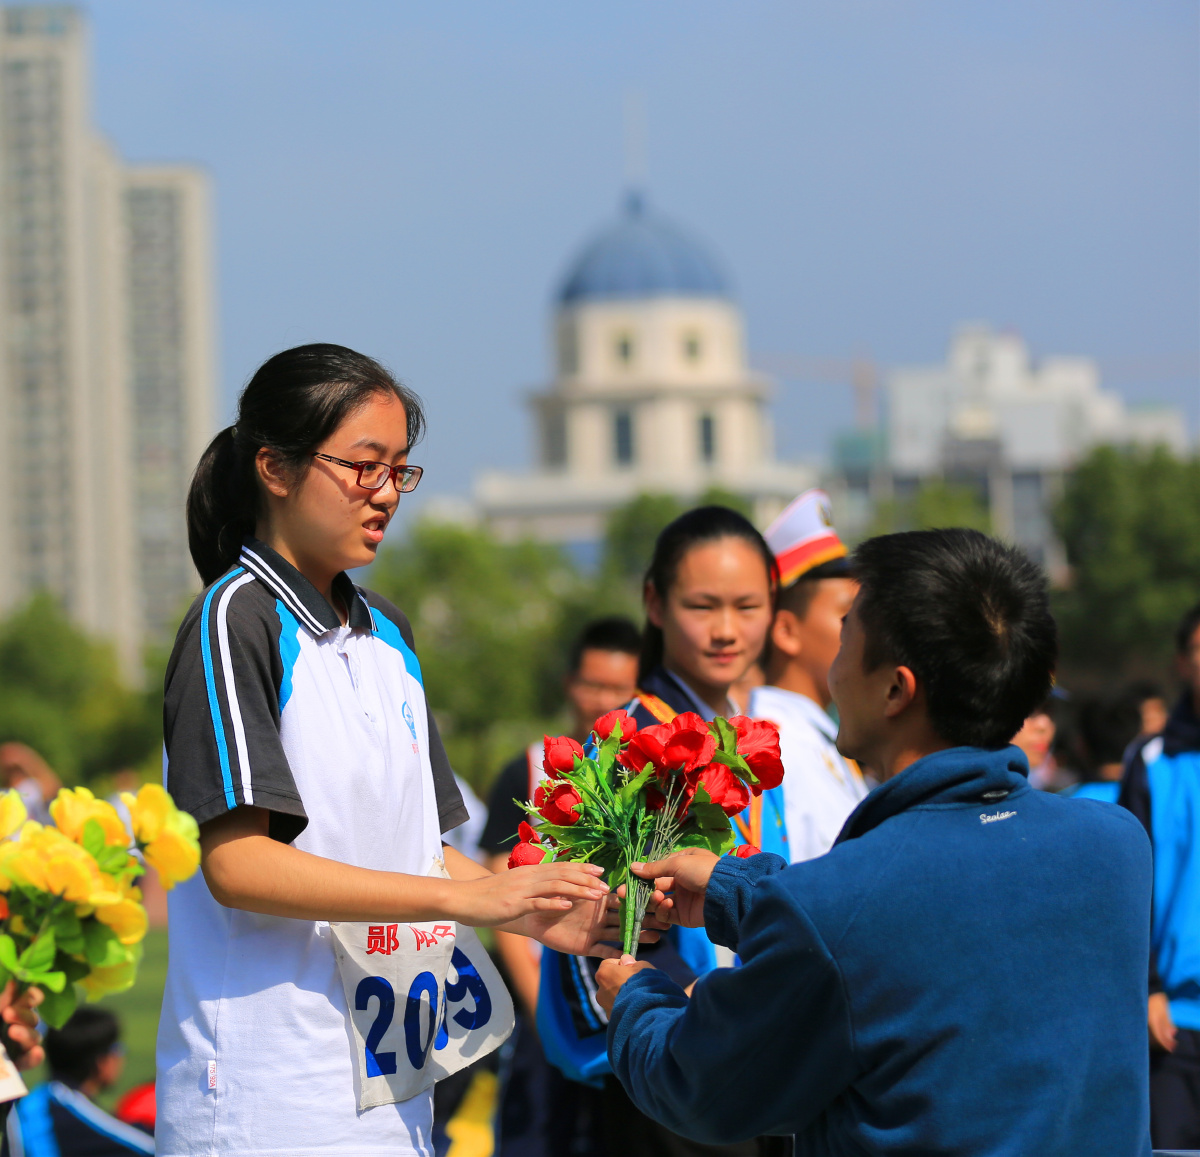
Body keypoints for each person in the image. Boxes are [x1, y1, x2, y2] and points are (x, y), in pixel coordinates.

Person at [157, 344, 623, 1157]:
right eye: (363, 466)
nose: (385, 494)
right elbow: (237, 865)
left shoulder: (391, 636)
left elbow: (424, 857)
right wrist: (471, 903)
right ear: (275, 467)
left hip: (392, 1085)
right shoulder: (237, 620)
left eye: (400, 471)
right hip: (272, 1095)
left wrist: (545, 908)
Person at [598, 528, 1152, 1156]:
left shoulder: (840, 902)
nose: (832, 672)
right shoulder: (1115, 846)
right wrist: (745, 889)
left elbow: (700, 1086)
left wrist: (637, 1001)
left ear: (896, 689)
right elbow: (924, 929)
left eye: (846, 642)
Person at [542, 505, 779, 1157]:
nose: (727, 630)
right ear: (655, 601)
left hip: (747, 1057)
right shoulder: (627, 740)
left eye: (748, 605)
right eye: (703, 605)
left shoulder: (749, 737)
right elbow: (579, 909)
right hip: (664, 1063)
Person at [479, 616, 640, 1157]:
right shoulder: (525, 772)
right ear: (571, 684)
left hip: (625, 1010)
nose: (604, 701)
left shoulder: (644, 784)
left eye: (620, 691)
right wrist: (540, 1013)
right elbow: (497, 896)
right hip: (546, 1010)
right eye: (594, 684)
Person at [1120, 601, 1200, 1149]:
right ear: (1181, 664)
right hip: (1176, 1020)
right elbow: (1130, 883)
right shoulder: (1152, 760)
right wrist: (1147, 988)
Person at [749, 489, 867, 862]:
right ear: (785, 631)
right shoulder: (776, 747)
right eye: (848, 615)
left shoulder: (816, 737)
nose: (865, 632)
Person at [11, 1008, 153, 1156]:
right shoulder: (62, 1103)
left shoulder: (45, 1097)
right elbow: (149, 1145)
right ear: (100, 1061)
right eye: (117, 1049)